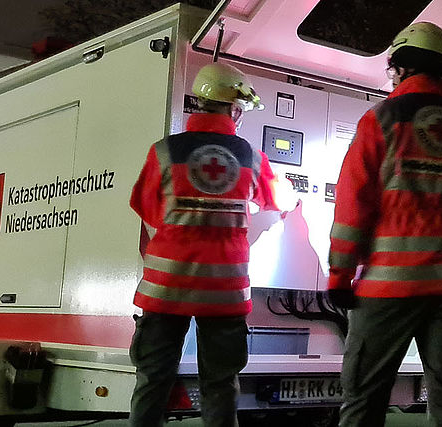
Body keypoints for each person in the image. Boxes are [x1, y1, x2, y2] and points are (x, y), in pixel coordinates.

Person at [326, 21, 442, 427]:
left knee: (363, 398)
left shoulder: (382, 119)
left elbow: (353, 204)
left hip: (388, 288)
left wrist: (340, 275)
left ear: (402, 68)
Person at [128, 62, 278, 427]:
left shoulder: (164, 151)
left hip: (166, 289)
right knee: (221, 384)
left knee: (153, 380)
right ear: (235, 109)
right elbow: (276, 200)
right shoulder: (252, 158)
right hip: (223, 293)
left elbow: (145, 206)